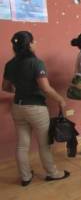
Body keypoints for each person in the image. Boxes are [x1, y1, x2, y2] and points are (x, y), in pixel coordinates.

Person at [2, 31, 70, 186]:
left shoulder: (10, 64)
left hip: (17, 106)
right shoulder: (36, 63)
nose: (35, 44)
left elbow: (5, 87)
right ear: (29, 44)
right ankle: (52, 173)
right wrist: (60, 99)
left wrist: (21, 90)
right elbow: (45, 89)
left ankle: (25, 177)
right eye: (34, 41)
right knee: (44, 144)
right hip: (36, 108)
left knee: (21, 144)